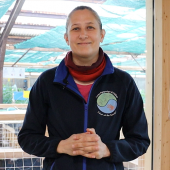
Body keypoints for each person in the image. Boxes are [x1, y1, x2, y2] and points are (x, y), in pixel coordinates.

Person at [18, 6, 150, 170]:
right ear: (66, 38)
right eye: (75, 28)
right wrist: (61, 146)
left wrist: (107, 149)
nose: (83, 34)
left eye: (90, 27)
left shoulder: (123, 83)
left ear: (102, 35)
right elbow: (27, 138)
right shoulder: (47, 82)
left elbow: (140, 140)